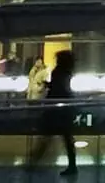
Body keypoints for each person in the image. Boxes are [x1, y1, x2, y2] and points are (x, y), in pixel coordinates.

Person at [25, 49, 78, 177]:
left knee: (45, 135)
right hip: (64, 109)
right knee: (66, 138)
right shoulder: (67, 73)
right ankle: (72, 165)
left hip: (55, 109)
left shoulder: (58, 72)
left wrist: (48, 86)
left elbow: (57, 89)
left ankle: (33, 162)